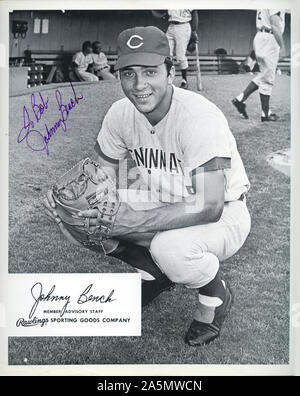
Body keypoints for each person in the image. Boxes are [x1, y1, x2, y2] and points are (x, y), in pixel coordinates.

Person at [44, 26, 251, 346]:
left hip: (226, 213)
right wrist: (68, 200)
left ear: (169, 71)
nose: (139, 85)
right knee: (82, 214)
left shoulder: (198, 116)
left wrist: (128, 219)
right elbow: (99, 174)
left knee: (169, 247)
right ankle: (154, 274)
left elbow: (209, 206)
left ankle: (215, 295)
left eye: (150, 72)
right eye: (129, 73)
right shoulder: (120, 113)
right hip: (162, 198)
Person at [232, 9, 285, 122]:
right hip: (270, 37)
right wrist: (282, 46)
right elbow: (275, 23)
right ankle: (265, 114)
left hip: (260, 35)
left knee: (264, 75)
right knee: (268, 79)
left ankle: (240, 99)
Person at [152, 10, 199, 89]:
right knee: (166, 54)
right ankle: (167, 78)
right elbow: (164, 14)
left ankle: (184, 80)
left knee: (180, 57)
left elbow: (194, 13)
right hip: (171, 26)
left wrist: (194, 30)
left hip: (183, 26)